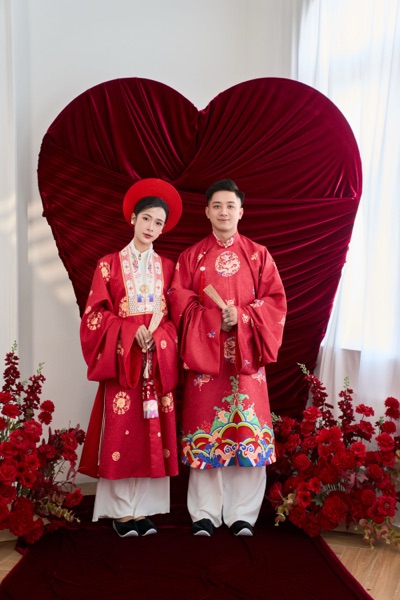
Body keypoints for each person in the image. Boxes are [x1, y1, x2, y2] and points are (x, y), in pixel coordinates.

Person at [169, 179, 286, 537]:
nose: (223, 212)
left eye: (230, 206)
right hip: (206, 362)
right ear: (206, 211)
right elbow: (178, 304)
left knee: (245, 431)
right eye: (217, 206)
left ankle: (242, 514)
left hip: (247, 362)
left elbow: (276, 303)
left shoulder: (259, 255)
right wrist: (212, 320)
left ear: (241, 212)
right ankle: (204, 513)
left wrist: (245, 317)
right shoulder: (190, 257)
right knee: (206, 431)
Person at [78, 178, 182, 537]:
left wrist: (160, 337)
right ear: (133, 218)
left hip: (156, 360)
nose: (151, 227)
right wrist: (127, 330)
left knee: (153, 432)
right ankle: (121, 513)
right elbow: (94, 315)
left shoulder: (168, 268)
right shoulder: (107, 265)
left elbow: (176, 319)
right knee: (123, 434)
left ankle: (144, 510)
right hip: (124, 360)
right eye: (146, 219)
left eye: (158, 223)